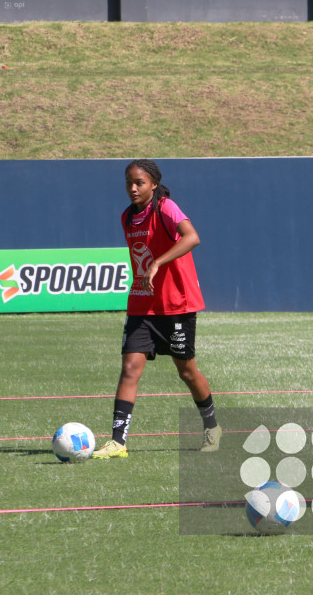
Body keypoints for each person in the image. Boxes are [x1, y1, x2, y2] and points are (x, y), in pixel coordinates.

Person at [93, 159, 221, 458]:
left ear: (152, 184)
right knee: (129, 368)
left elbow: (192, 237)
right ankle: (117, 442)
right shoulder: (127, 217)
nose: (133, 188)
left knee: (187, 371)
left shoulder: (166, 208)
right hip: (141, 303)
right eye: (128, 182)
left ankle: (212, 426)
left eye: (139, 182)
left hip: (176, 304)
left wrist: (158, 262)